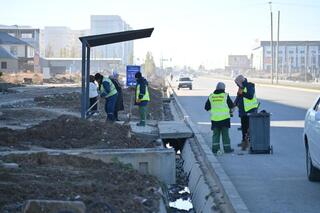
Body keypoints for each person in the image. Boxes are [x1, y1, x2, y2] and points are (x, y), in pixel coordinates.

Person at [205, 82, 234, 154]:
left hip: (215, 119)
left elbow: (206, 107)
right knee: (225, 135)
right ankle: (227, 149)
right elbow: (231, 106)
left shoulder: (211, 96)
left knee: (215, 135)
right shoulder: (225, 96)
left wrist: (213, 111)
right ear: (223, 88)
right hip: (225, 119)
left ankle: (215, 149)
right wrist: (230, 111)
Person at [234, 75, 259, 150]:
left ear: (241, 82)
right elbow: (238, 98)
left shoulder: (249, 86)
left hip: (250, 111)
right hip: (243, 112)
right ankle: (244, 143)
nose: (237, 85)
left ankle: (251, 143)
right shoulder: (241, 88)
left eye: (237, 83)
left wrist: (242, 93)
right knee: (244, 128)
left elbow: (250, 96)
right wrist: (233, 106)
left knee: (250, 128)